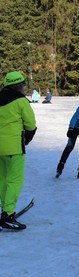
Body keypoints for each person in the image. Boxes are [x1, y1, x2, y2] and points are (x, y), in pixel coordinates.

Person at [0, 71, 37, 230]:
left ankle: (4, 210)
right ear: (19, 86)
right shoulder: (21, 101)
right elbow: (31, 125)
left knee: (2, 179)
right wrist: (27, 140)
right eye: (23, 85)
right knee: (15, 180)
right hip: (14, 147)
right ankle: (7, 214)